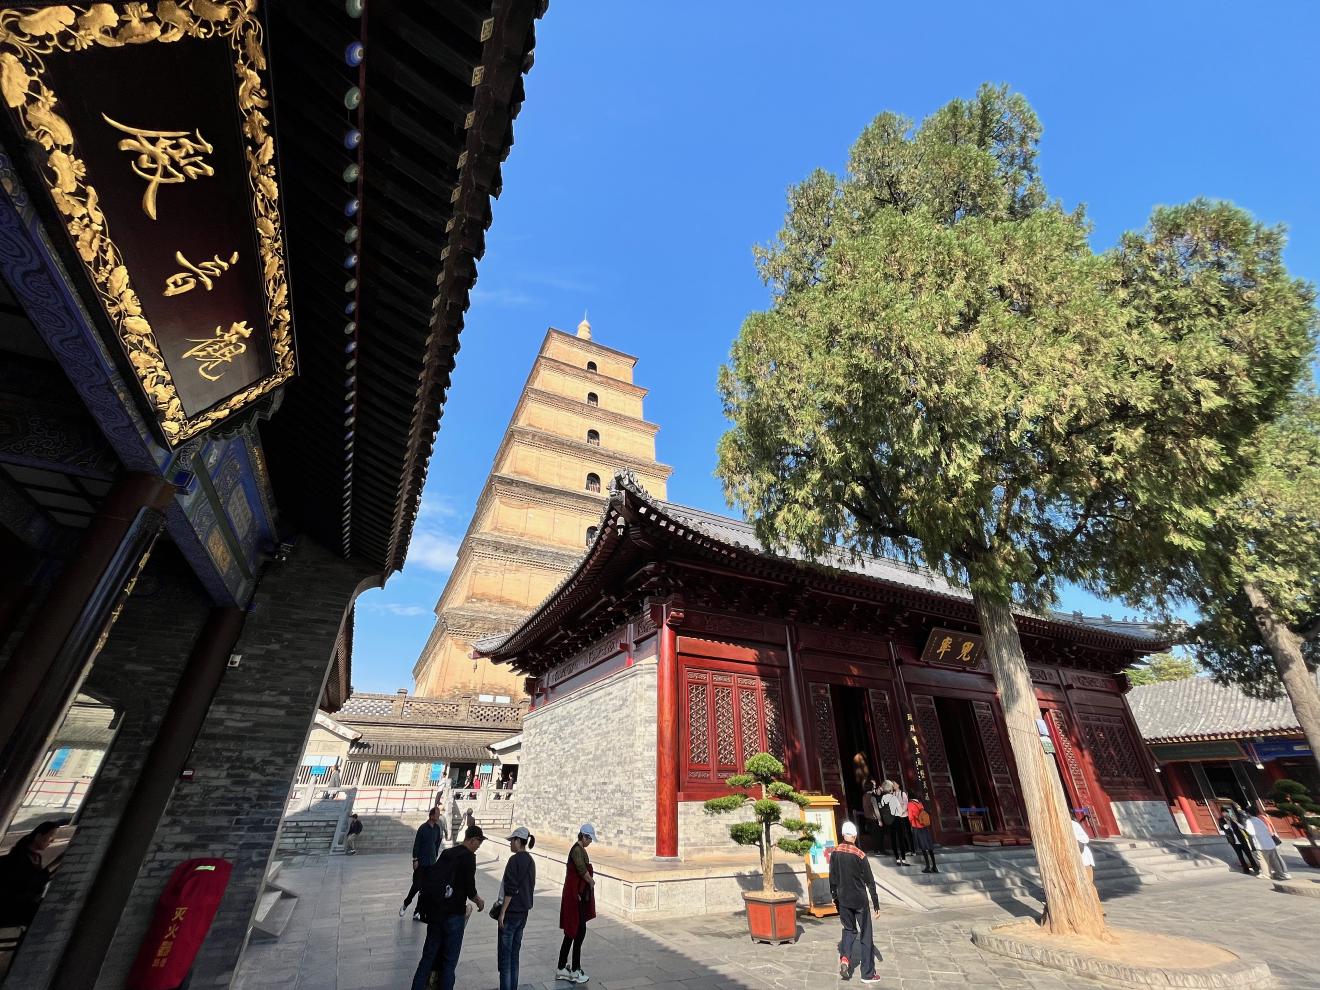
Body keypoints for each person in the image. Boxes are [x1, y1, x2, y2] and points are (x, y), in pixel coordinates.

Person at [410, 825, 485, 990]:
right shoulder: (468, 858)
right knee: (449, 962)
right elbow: (470, 889)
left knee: (427, 957)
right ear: (473, 840)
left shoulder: (447, 853)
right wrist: (479, 901)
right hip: (454, 916)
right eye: (478, 843)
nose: (478, 847)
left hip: (436, 914)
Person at [829, 821, 881, 984]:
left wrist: (834, 895)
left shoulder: (835, 852)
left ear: (843, 834)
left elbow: (832, 877)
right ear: (855, 836)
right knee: (865, 934)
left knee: (848, 929)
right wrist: (876, 904)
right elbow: (870, 882)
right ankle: (867, 974)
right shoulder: (860, 855)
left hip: (843, 898)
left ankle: (845, 958)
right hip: (859, 900)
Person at [497, 826, 537, 990]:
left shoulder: (514, 861)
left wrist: (502, 912)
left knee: (505, 959)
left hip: (512, 913)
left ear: (518, 841)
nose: (510, 844)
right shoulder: (531, 861)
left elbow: (510, 889)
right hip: (523, 913)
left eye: (511, 840)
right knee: (515, 955)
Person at [556, 823, 597, 984]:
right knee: (577, 932)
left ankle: (562, 967)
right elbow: (581, 869)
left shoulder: (580, 850)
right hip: (574, 896)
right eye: (590, 839)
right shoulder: (577, 851)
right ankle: (574, 969)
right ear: (584, 836)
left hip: (576, 895)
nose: (590, 842)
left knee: (572, 933)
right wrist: (591, 881)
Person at [0, 821, 59, 928]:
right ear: (38, 836)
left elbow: (42, 878)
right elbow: (33, 880)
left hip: (26, 903)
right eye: (51, 836)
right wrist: (58, 861)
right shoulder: (19, 856)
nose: (52, 840)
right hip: (13, 907)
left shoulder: (36, 857)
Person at [401, 805, 447, 919]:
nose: (438, 816)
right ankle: (405, 904)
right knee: (416, 886)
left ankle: (418, 911)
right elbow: (417, 844)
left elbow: (437, 844)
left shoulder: (437, 829)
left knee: (425, 889)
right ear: (431, 816)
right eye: (436, 814)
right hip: (421, 861)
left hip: (431, 863)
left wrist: (435, 857)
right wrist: (415, 859)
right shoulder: (423, 828)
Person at [1246, 806, 1292, 880]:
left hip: (1261, 844)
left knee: (1262, 859)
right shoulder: (1259, 820)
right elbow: (1267, 829)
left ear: (1248, 813)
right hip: (1269, 843)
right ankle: (1280, 874)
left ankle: (1266, 874)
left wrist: (1245, 828)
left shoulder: (1249, 821)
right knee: (1274, 860)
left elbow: (1251, 832)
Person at [1217, 803, 1258, 874]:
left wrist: (1234, 821)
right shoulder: (1221, 820)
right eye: (1223, 812)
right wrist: (1227, 823)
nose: (1225, 814)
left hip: (1241, 839)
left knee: (1249, 854)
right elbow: (1224, 828)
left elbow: (1242, 827)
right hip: (1233, 841)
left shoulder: (1234, 818)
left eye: (1226, 812)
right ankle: (1246, 869)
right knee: (1240, 856)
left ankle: (1255, 868)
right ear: (1222, 813)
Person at [880, 780, 912, 866]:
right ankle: (904, 860)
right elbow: (900, 810)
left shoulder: (882, 798)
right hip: (897, 819)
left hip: (888, 821)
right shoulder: (893, 797)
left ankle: (897, 859)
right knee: (901, 839)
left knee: (893, 839)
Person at [907, 796, 938, 873]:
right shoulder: (920, 803)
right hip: (924, 826)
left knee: (923, 848)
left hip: (918, 827)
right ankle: (934, 866)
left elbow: (910, 817)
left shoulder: (910, 804)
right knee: (929, 847)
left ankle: (927, 867)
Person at [1072, 809, 1095, 885]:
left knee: (1088, 881)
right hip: (1070, 858)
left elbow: (1085, 838)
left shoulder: (1073, 824)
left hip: (1082, 854)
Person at [862, 778, 885, 851]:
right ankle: (880, 849)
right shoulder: (872, 797)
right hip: (874, 818)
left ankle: (876, 849)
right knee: (879, 835)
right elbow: (876, 809)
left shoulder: (864, 796)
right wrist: (880, 820)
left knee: (873, 835)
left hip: (868, 818)